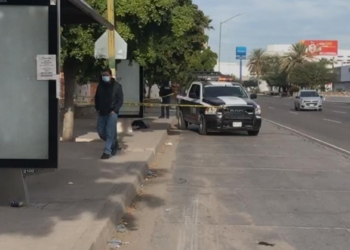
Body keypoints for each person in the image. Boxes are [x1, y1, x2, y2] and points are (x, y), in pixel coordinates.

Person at [94, 68, 124, 159]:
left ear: (111, 76)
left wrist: (115, 110)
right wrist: (97, 108)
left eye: (106, 75)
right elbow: (96, 98)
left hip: (112, 113)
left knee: (110, 132)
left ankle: (107, 151)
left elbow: (120, 100)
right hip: (102, 112)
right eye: (103, 75)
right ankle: (114, 143)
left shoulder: (117, 86)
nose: (105, 77)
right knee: (101, 132)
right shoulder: (100, 86)